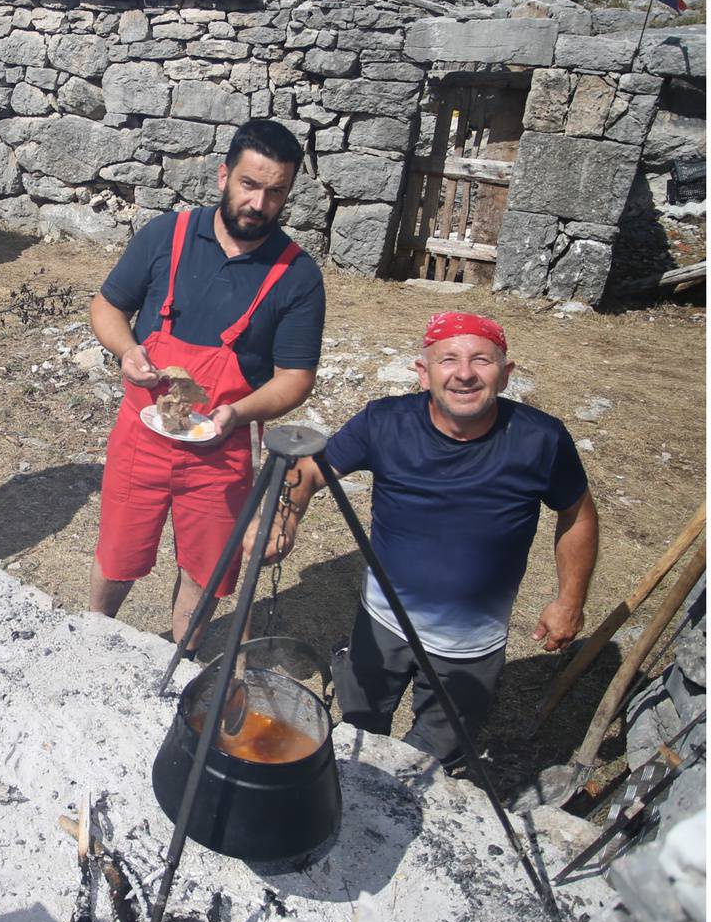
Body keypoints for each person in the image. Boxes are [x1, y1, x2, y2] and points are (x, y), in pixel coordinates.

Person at [250, 312, 598, 769]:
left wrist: (569, 600)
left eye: (482, 360)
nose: (465, 373)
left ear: (506, 374)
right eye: (448, 359)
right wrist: (283, 516)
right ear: (424, 372)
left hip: (471, 645)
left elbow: (577, 514)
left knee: (433, 761)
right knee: (357, 733)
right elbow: (311, 470)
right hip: (380, 625)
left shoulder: (540, 439)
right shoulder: (385, 422)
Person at [89, 119, 326, 645]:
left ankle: (182, 659)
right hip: (141, 436)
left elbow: (295, 378)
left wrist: (237, 412)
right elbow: (107, 306)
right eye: (249, 184)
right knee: (118, 553)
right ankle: (89, 638)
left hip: (223, 448)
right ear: (223, 176)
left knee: (205, 567)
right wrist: (128, 350)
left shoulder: (297, 275)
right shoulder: (165, 236)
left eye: (275, 192)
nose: (259, 203)